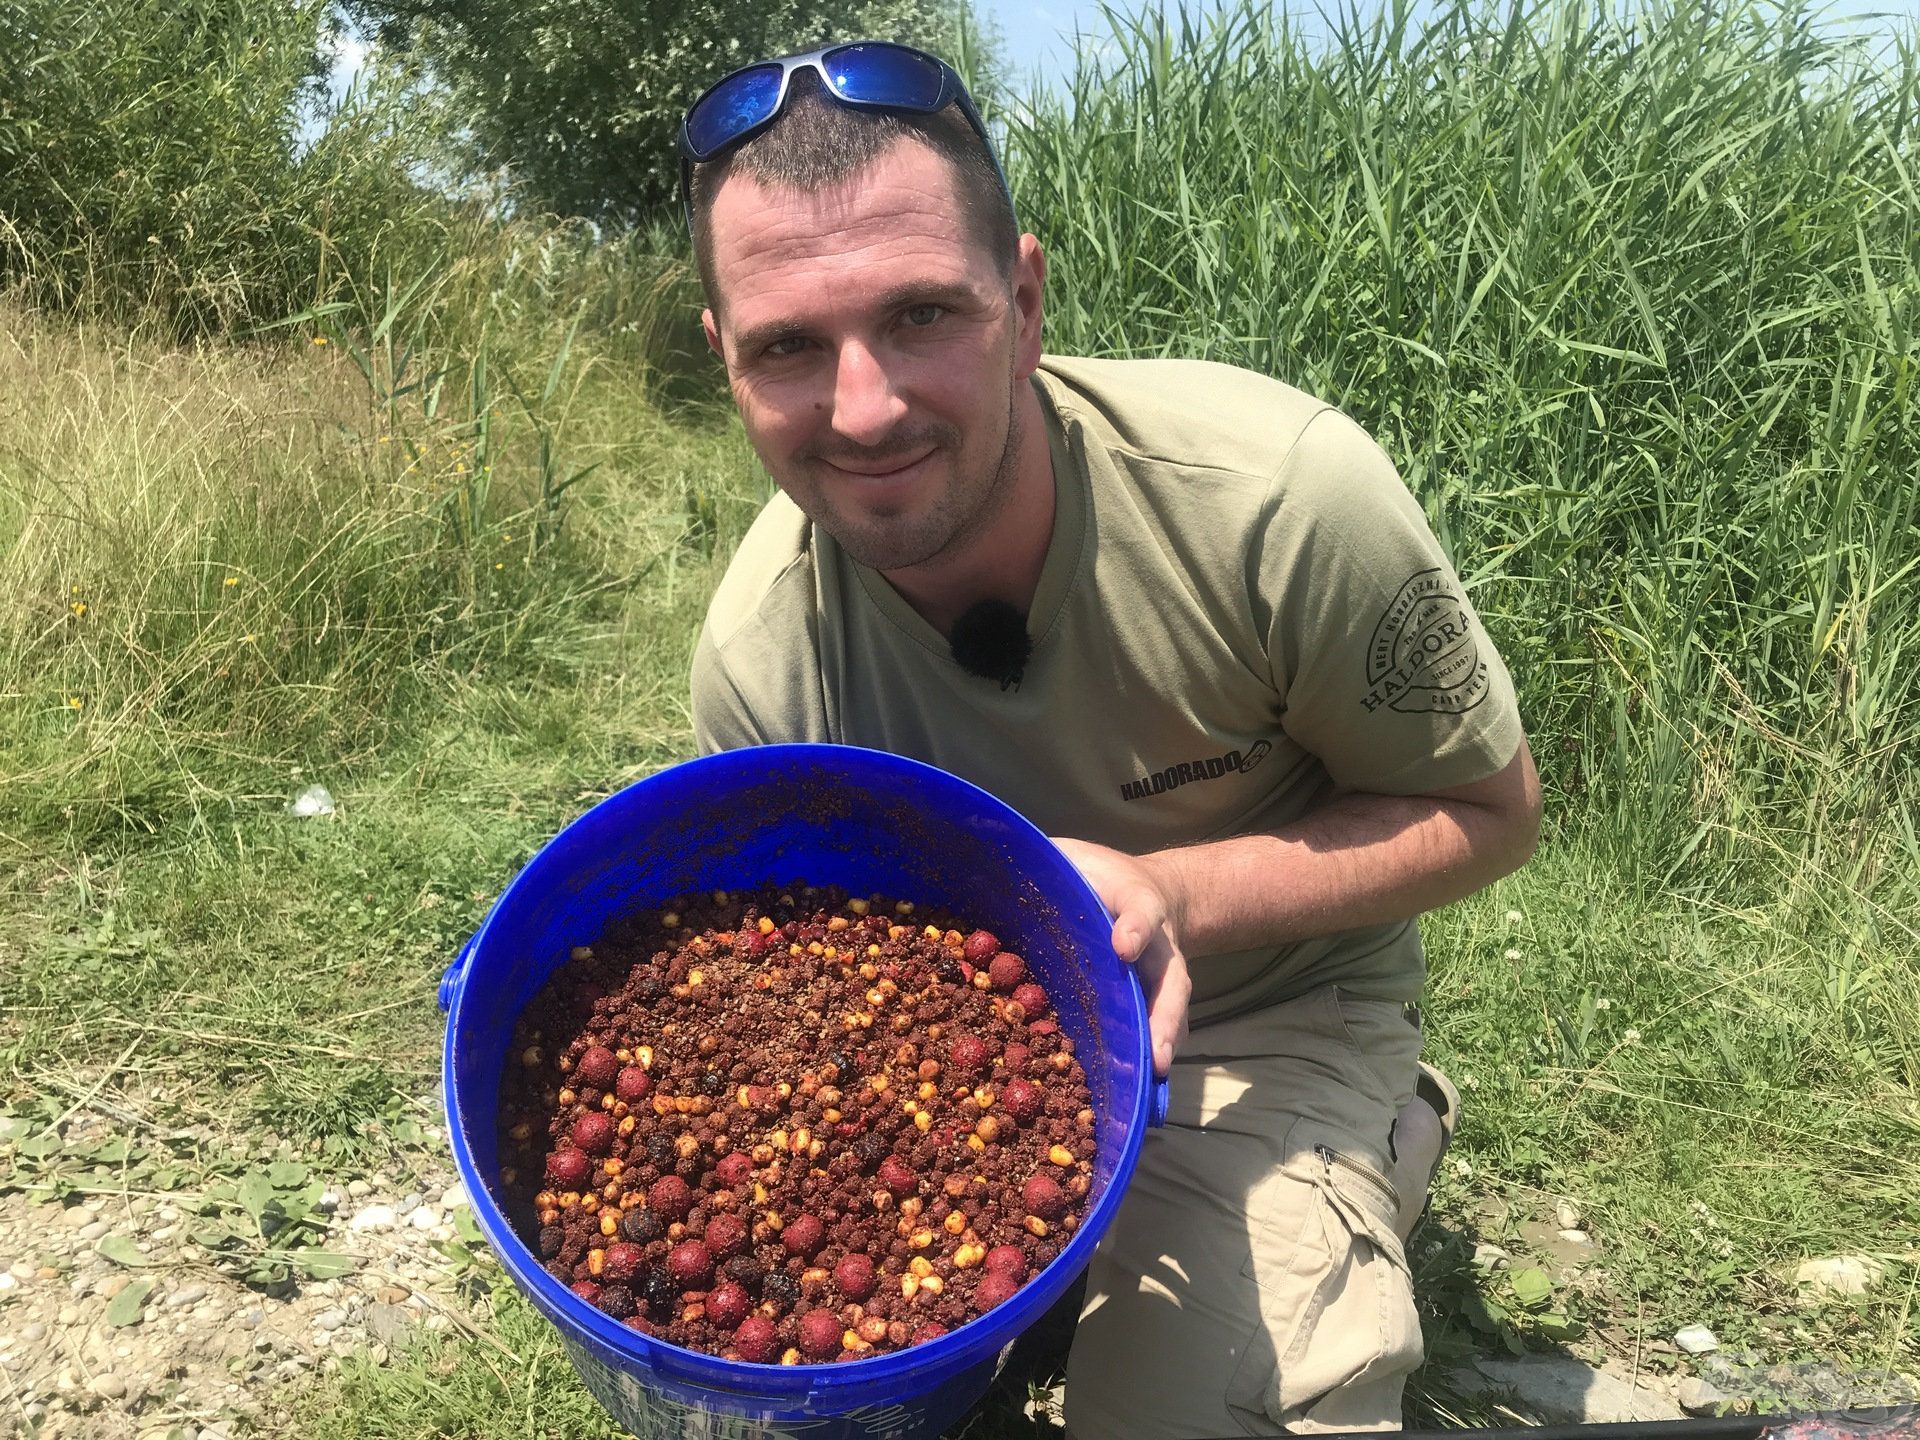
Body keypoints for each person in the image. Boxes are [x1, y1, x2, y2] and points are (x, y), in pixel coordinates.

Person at [680, 41, 1541, 1437]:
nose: (864, 407)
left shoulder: (1273, 501)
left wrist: (1175, 896)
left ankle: (1372, 1131)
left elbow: (1489, 812)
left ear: (1021, 303)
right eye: (789, 346)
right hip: (963, 1062)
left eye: (920, 316)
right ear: (725, 362)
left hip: (1267, 1016)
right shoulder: (762, 660)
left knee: (1203, 1413)